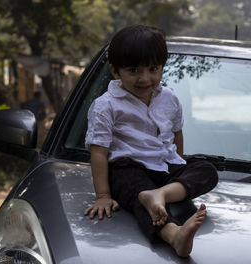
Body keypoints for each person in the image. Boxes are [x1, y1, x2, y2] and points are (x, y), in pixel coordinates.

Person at [84, 25, 218, 257]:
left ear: (162, 67)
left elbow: (177, 134)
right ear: (115, 71)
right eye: (134, 70)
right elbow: (99, 151)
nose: (145, 78)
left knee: (207, 170)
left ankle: (162, 194)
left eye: (153, 68)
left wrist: (180, 167)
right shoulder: (106, 106)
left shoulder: (170, 98)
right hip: (128, 168)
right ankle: (173, 234)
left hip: (164, 166)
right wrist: (103, 196)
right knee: (138, 193)